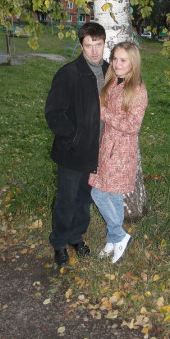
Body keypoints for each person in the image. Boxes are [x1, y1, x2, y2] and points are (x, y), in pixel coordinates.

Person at [45, 21, 108, 267]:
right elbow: (54, 113)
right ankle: (60, 243)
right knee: (67, 199)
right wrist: (73, 138)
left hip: (97, 151)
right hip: (71, 153)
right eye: (88, 45)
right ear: (81, 46)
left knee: (84, 199)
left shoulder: (110, 72)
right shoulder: (68, 74)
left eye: (98, 44)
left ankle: (76, 237)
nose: (94, 51)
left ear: (104, 43)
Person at [89, 41, 148, 264]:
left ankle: (119, 235)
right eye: (115, 59)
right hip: (107, 146)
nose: (117, 63)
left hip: (121, 152)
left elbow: (133, 125)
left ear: (133, 62)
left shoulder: (137, 89)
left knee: (98, 193)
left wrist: (103, 113)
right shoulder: (114, 80)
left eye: (123, 60)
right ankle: (114, 240)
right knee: (111, 195)